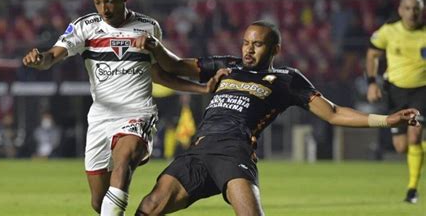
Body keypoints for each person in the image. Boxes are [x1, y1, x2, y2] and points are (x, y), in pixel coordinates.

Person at [131, 21, 421, 215]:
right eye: (245, 42)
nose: (248, 49)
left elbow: (333, 113)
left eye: (256, 44)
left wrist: (387, 120)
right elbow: (175, 66)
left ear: (274, 49)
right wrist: (155, 47)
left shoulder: (286, 79)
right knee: (151, 205)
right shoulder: (227, 66)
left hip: (234, 152)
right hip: (199, 150)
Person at [22, 0, 221, 215]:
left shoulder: (148, 27)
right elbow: (51, 56)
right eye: (98, 3)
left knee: (124, 160)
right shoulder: (85, 27)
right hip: (100, 118)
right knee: (99, 202)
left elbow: (159, 74)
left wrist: (201, 89)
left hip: (138, 113)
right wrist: (39, 58)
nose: (104, 9)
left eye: (109, 1)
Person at [365, 0, 425, 203]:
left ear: (422, 10)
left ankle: (412, 190)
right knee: (402, 147)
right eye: (407, 8)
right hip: (395, 92)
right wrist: (372, 83)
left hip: (421, 90)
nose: (412, 13)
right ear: (400, 10)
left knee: (415, 136)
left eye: (416, 8)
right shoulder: (389, 31)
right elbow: (372, 54)